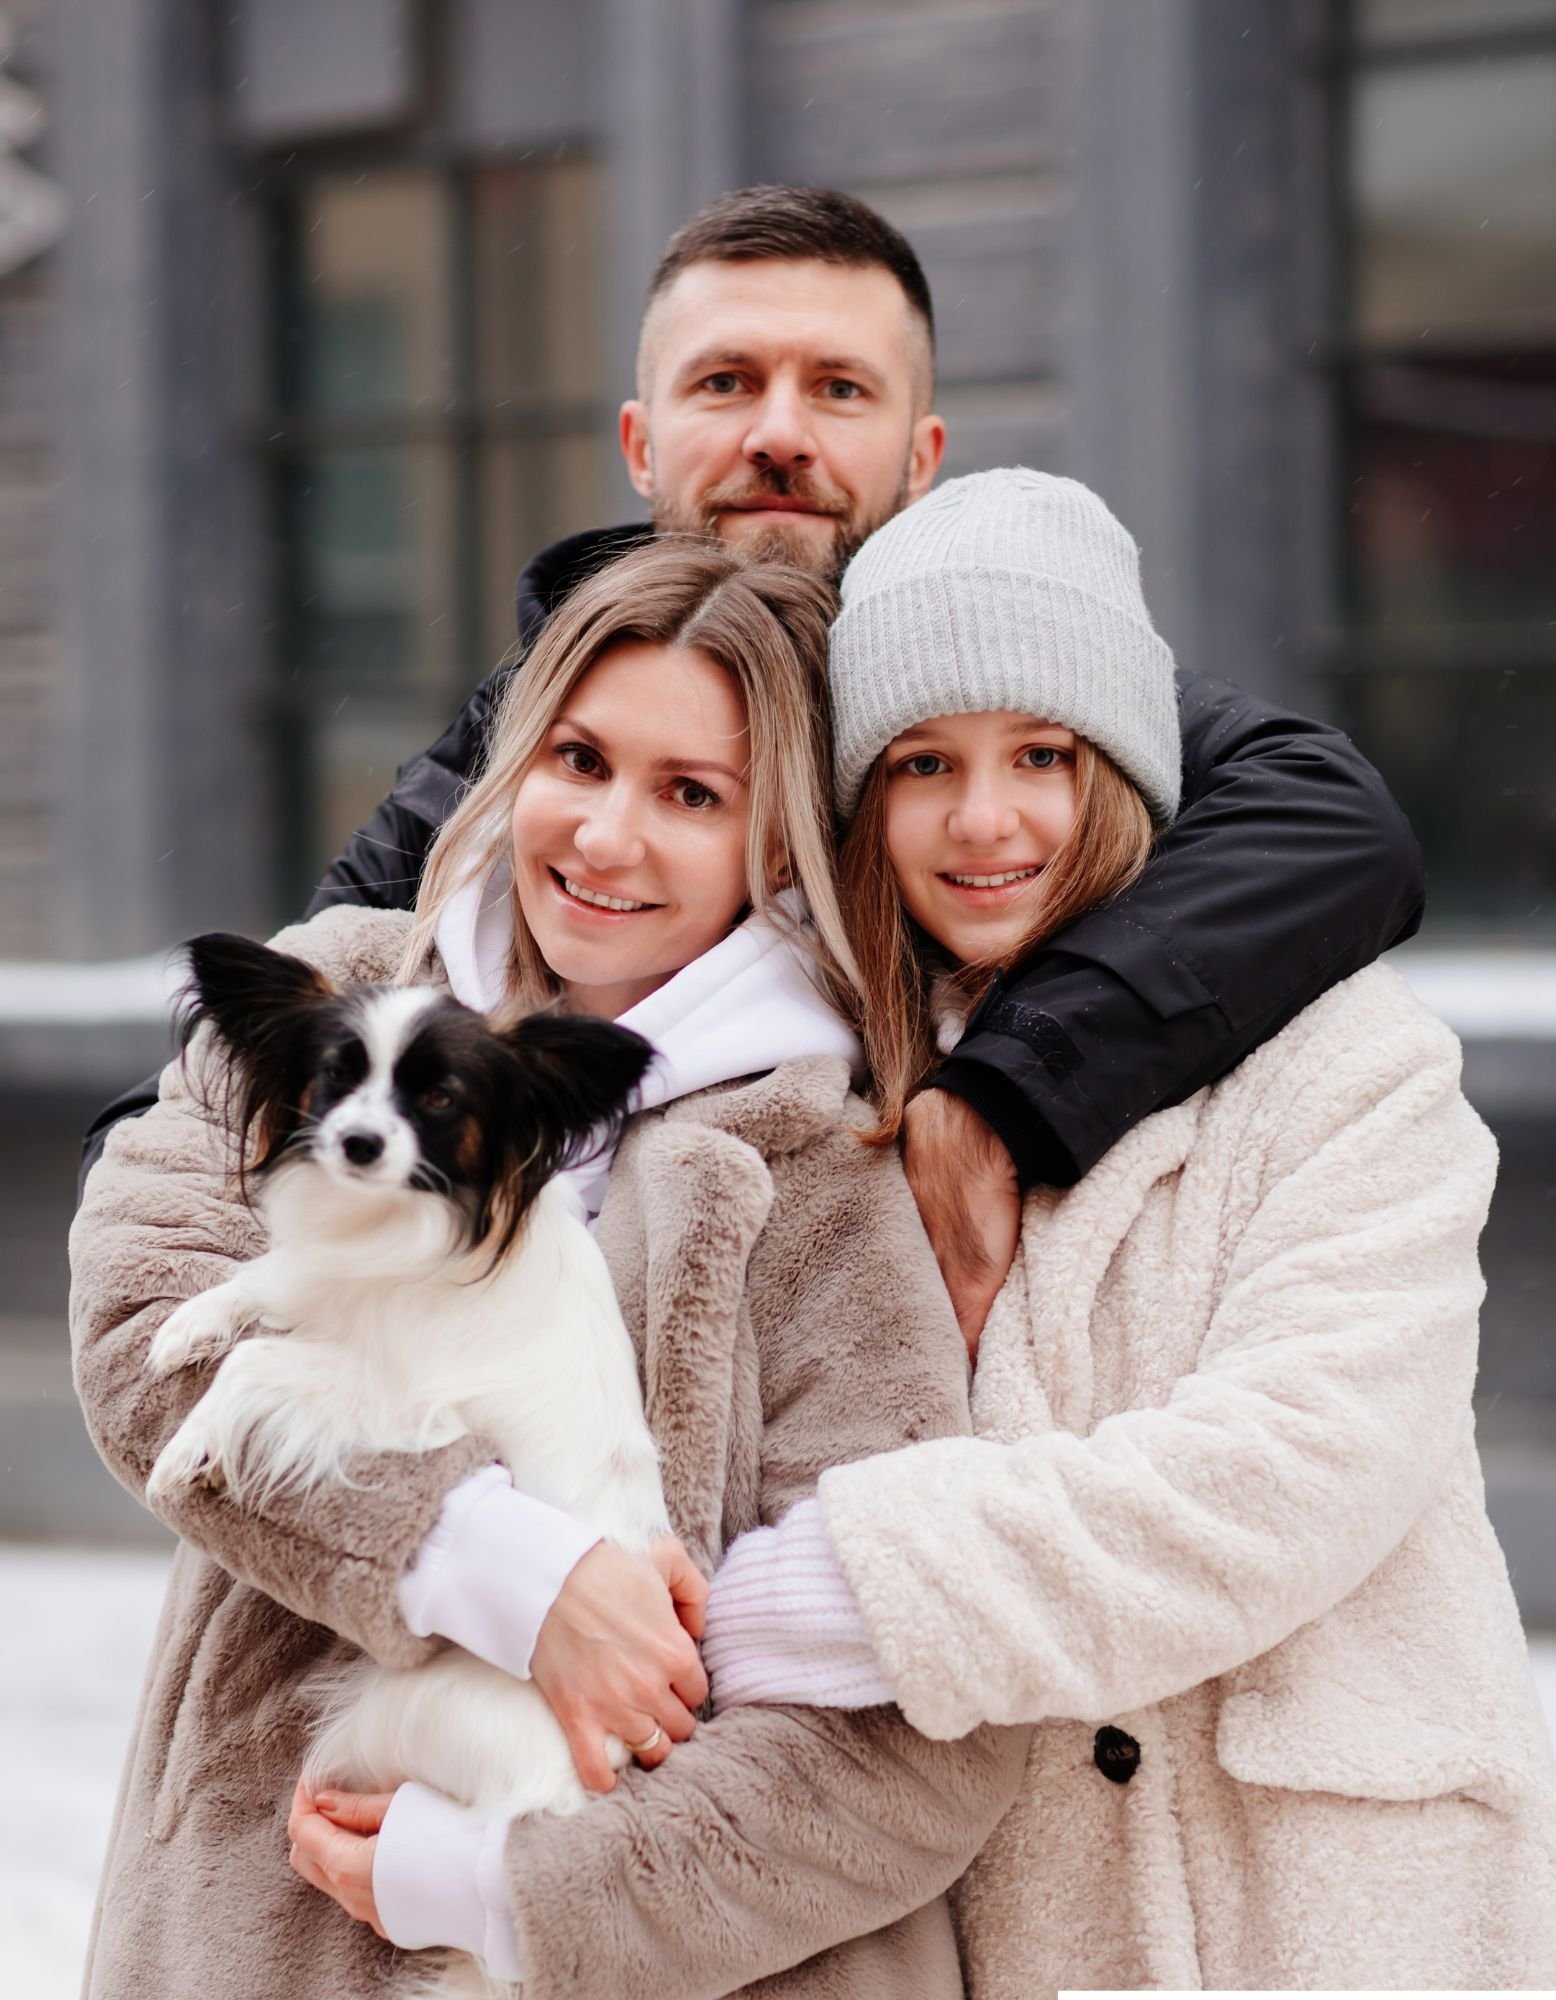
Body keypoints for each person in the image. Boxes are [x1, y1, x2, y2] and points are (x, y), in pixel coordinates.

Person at [79, 180, 1424, 1796]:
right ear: (644, 443)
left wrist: (1007, 1089)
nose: (780, 434)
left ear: (920, 458)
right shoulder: (519, 764)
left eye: (838, 390)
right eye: (729, 384)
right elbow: (304, 1056)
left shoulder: (1015, 686)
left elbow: (1328, 816)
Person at [69, 537, 1031, 1999]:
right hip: (257, 1933)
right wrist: (495, 1564)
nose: (605, 835)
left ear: (777, 847)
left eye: (691, 794)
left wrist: (523, 1896)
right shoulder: (316, 998)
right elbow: (147, 1345)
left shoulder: (831, 1172)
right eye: (580, 759)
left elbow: (918, 1723)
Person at [698, 469, 1556, 1992]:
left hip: (1325, 1897)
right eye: (920, 764)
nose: (986, 820)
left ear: (1129, 768)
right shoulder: (821, 1089)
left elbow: (1289, 1472)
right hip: (1027, 1912)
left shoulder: (1352, 1062)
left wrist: (846, 1590)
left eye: (1043, 752)